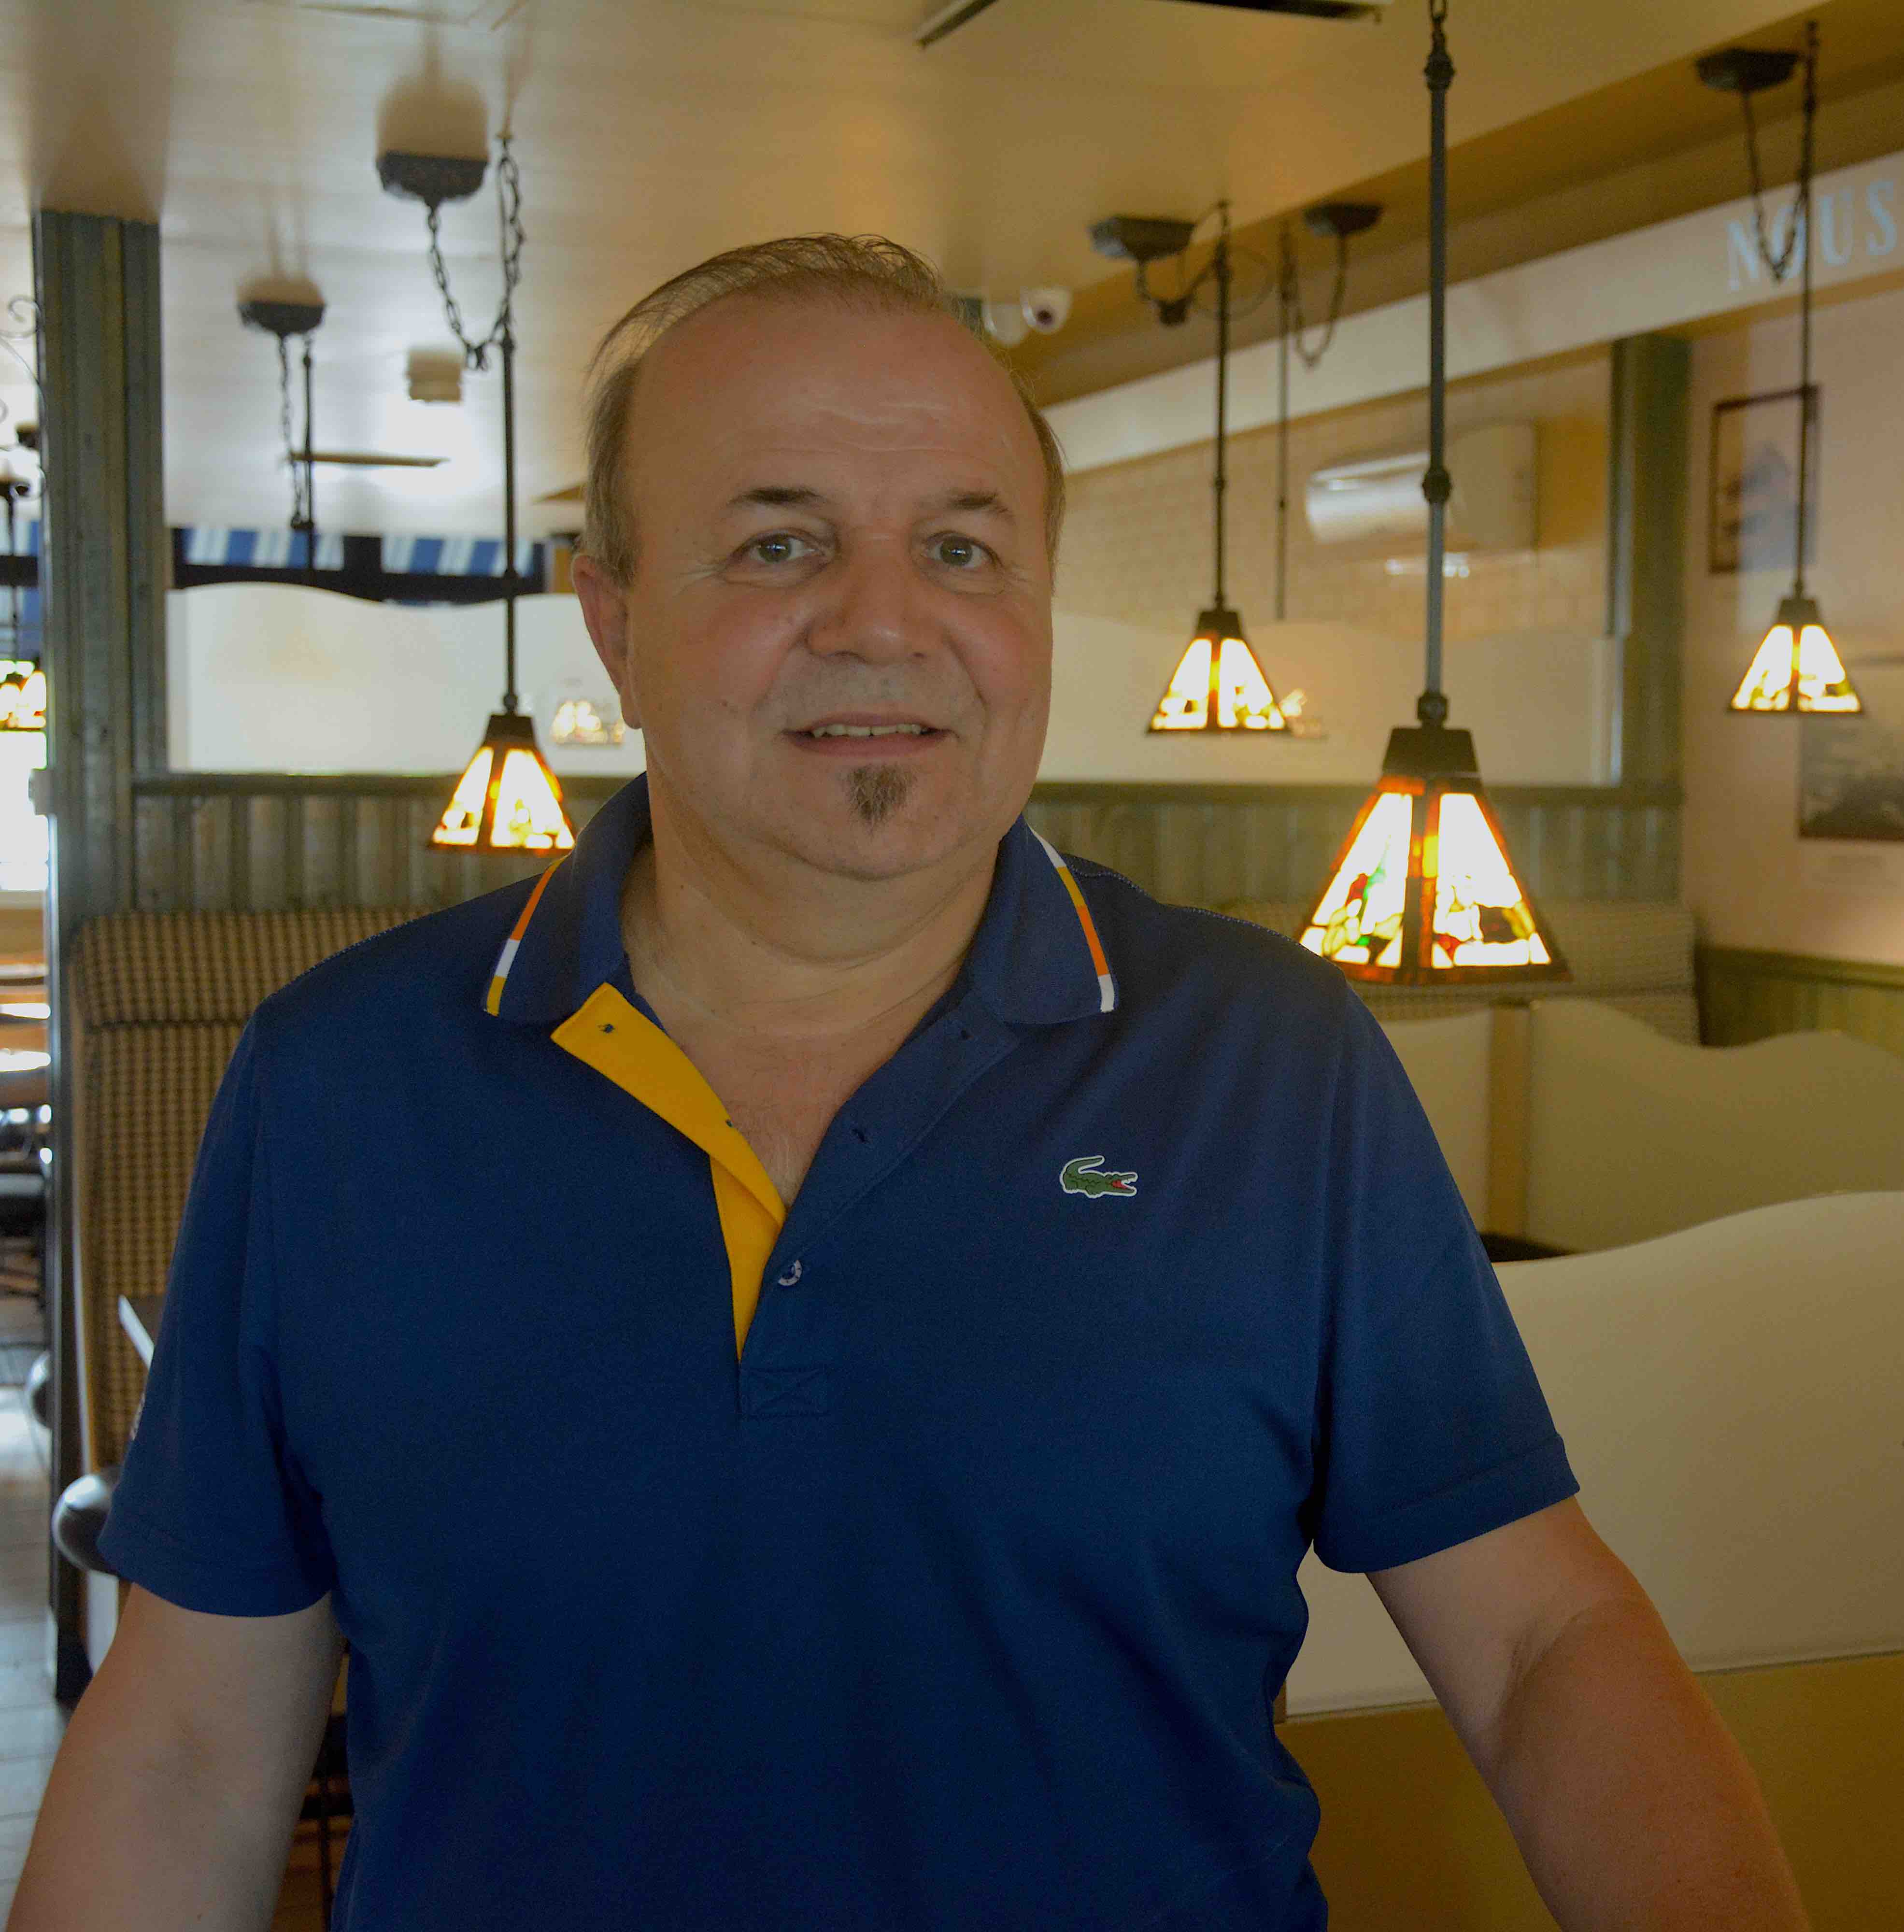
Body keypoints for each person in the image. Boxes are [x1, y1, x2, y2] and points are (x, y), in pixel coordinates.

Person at [10, 236, 1806, 1930]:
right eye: (778, 545)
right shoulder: (341, 1080)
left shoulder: (1272, 1062)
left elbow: (1541, 1643)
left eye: (961, 549)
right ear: (613, 620)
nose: (885, 623)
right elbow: (189, 1744)